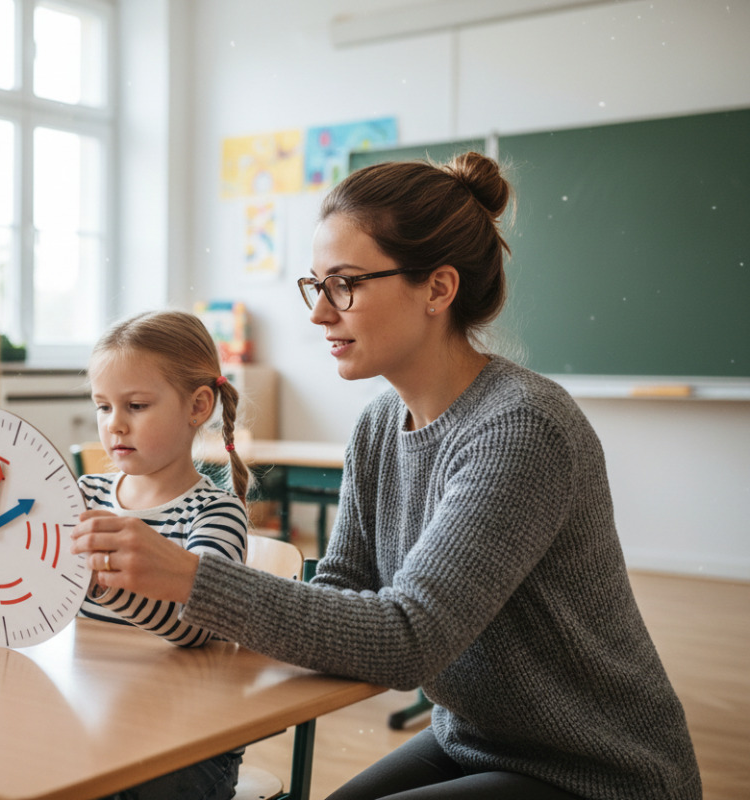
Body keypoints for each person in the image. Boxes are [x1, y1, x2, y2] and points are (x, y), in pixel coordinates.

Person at [70, 154, 702, 800]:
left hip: (597, 774)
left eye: (344, 285)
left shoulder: (522, 430)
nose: (320, 314)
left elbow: (406, 641)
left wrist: (188, 577)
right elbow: (342, 591)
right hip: (474, 742)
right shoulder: (378, 425)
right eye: (315, 286)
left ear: (438, 289)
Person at [0, 309, 252, 799]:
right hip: (88, 714)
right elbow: (20, 588)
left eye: (137, 406)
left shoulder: (215, 513)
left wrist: (101, 585)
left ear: (198, 405)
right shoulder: (83, 493)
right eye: (103, 407)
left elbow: (197, 627)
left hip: (187, 745)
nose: (115, 425)